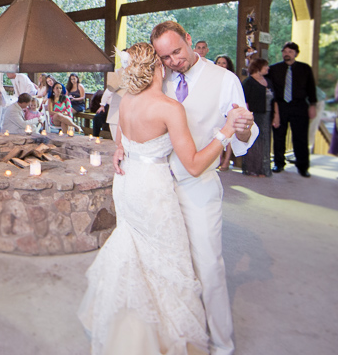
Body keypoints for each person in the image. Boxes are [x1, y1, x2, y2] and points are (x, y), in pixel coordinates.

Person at [79, 43, 246, 355]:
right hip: (153, 188)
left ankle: (127, 334)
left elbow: (121, 138)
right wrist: (224, 132)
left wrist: (120, 150)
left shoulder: (127, 100)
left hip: (127, 182)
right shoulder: (169, 107)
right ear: (158, 67)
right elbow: (194, 165)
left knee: (134, 253)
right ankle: (157, 341)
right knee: (166, 260)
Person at [150, 21, 256, 355]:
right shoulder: (159, 79)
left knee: (209, 266)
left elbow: (243, 139)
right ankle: (181, 335)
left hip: (199, 185)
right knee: (170, 265)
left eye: (177, 52)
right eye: (164, 57)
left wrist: (242, 128)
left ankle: (222, 344)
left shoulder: (225, 80)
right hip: (160, 188)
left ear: (190, 41)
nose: (173, 62)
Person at [267, 41, 317, 177]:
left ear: (296, 53)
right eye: (285, 51)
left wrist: (313, 105)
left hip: (299, 106)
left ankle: (303, 167)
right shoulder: (274, 69)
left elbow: (311, 88)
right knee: (278, 136)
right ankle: (278, 163)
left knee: (300, 137)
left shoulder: (305, 68)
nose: (286, 54)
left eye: (290, 51)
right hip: (280, 106)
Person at [241, 58, 276, 177]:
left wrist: (276, 115)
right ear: (258, 67)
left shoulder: (268, 81)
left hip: (267, 115)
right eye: (265, 66)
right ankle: (252, 169)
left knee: (265, 141)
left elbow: (274, 100)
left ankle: (264, 169)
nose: (268, 68)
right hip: (254, 115)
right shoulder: (248, 82)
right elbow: (244, 100)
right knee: (254, 141)